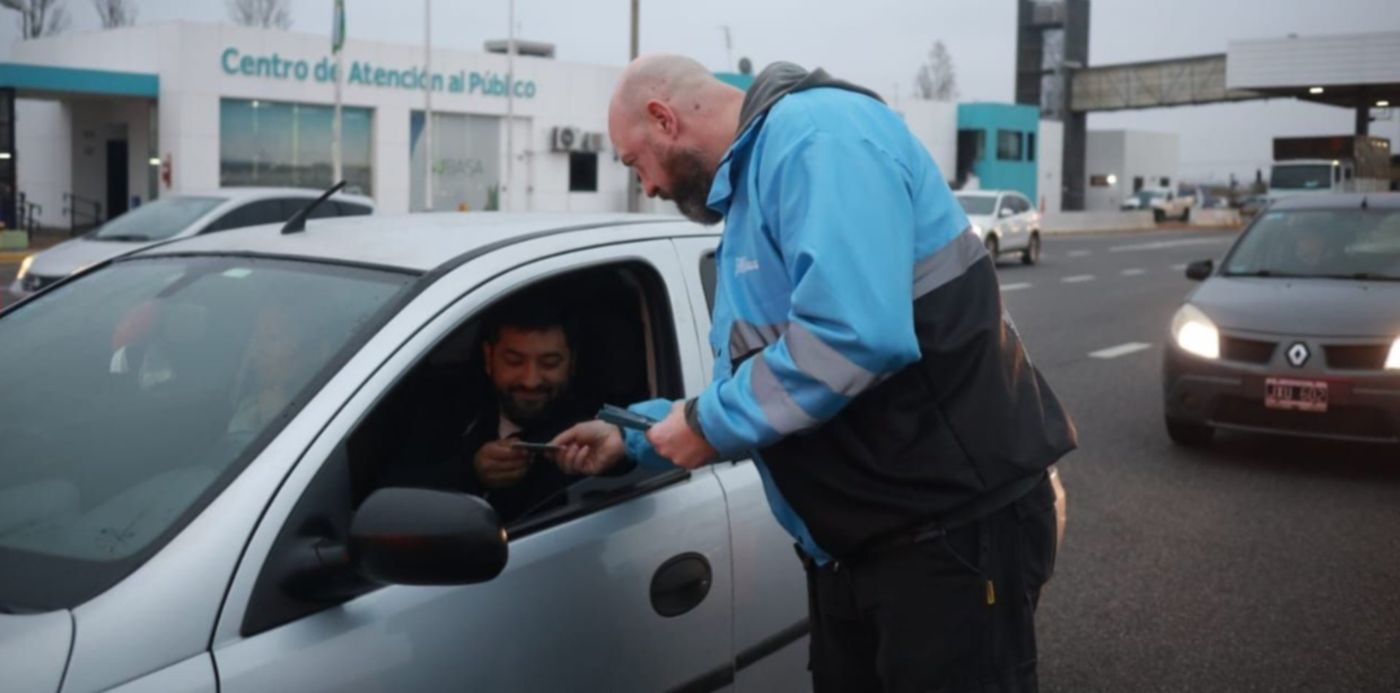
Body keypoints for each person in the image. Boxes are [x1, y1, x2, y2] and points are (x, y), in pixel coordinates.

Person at [553, 56, 1077, 692]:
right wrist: (634, 439)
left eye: (637, 163)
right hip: (864, 545)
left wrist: (707, 425)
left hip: (946, 535)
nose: (649, 187)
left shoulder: (816, 135)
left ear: (663, 120)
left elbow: (854, 337)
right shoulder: (755, 195)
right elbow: (757, 385)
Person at [380, 291, 602, 524]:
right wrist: (470, 473)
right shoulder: (446, 410)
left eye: (549, 363)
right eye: (514, 361)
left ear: (572, 363)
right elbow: (393, 495)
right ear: (489, 357)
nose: (531, 380)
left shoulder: (587, 436)